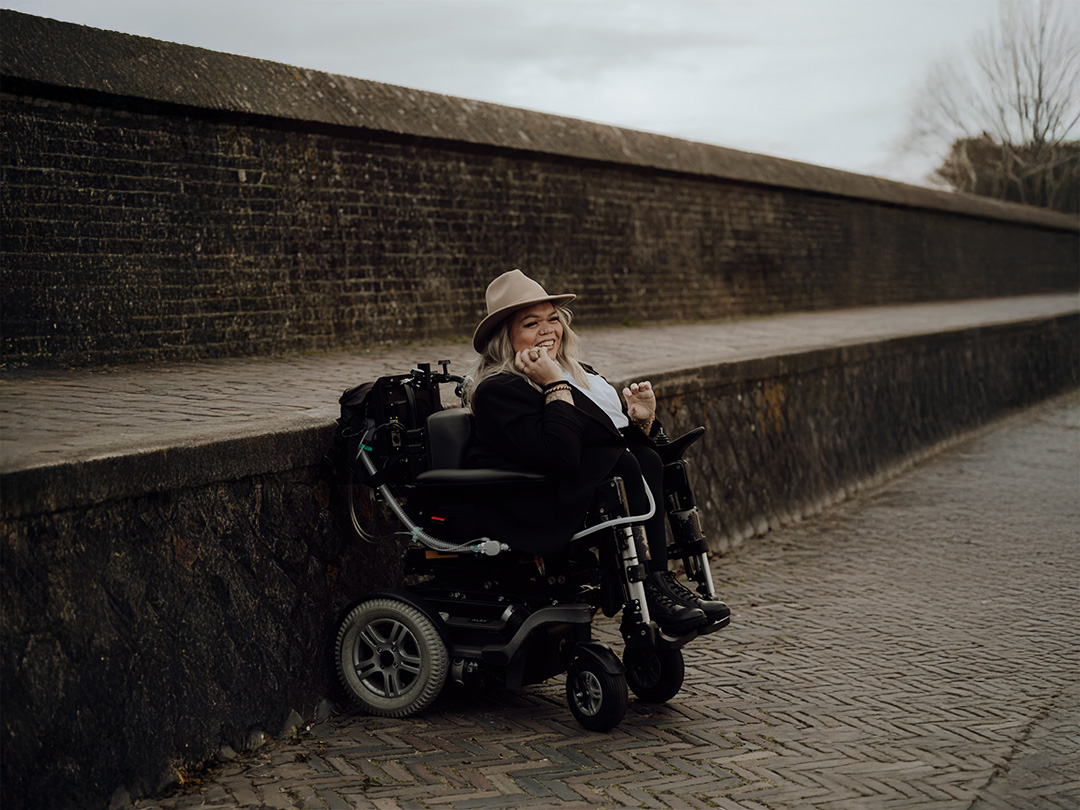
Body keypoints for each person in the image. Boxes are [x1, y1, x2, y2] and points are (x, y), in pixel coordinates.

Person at [465, 269, 729, 635]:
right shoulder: (500, 389)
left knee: (649, 458)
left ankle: (657, 580)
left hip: (572, 485)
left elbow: (609, 438)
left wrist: (642, 421)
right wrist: (553, 383)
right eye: (531, 323)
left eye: (553, 319)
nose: (547, 330)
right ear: (505, 337)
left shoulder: (578, 373)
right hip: (531, 501)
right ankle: (646, 590)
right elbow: (561, 454)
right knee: (620, 463)